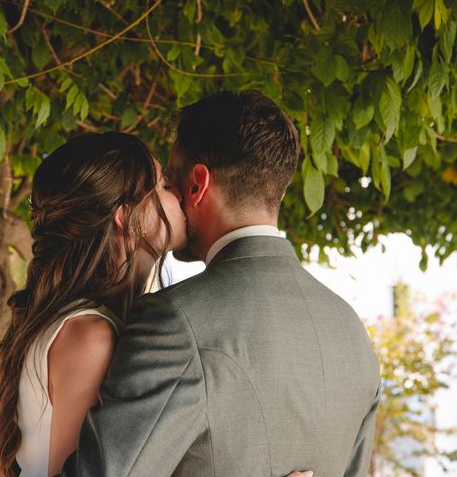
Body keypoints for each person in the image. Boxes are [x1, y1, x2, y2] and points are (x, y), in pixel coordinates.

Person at [60, 91, 381, 477]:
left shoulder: (175, 324)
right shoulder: (352, 334)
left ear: (197, 184)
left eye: (171, 184)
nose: (170, 200)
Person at [0, 132, 312, 477]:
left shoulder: (87, 326)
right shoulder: (90, 336)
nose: (180, 194)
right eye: (164, 186)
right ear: (127, 217)